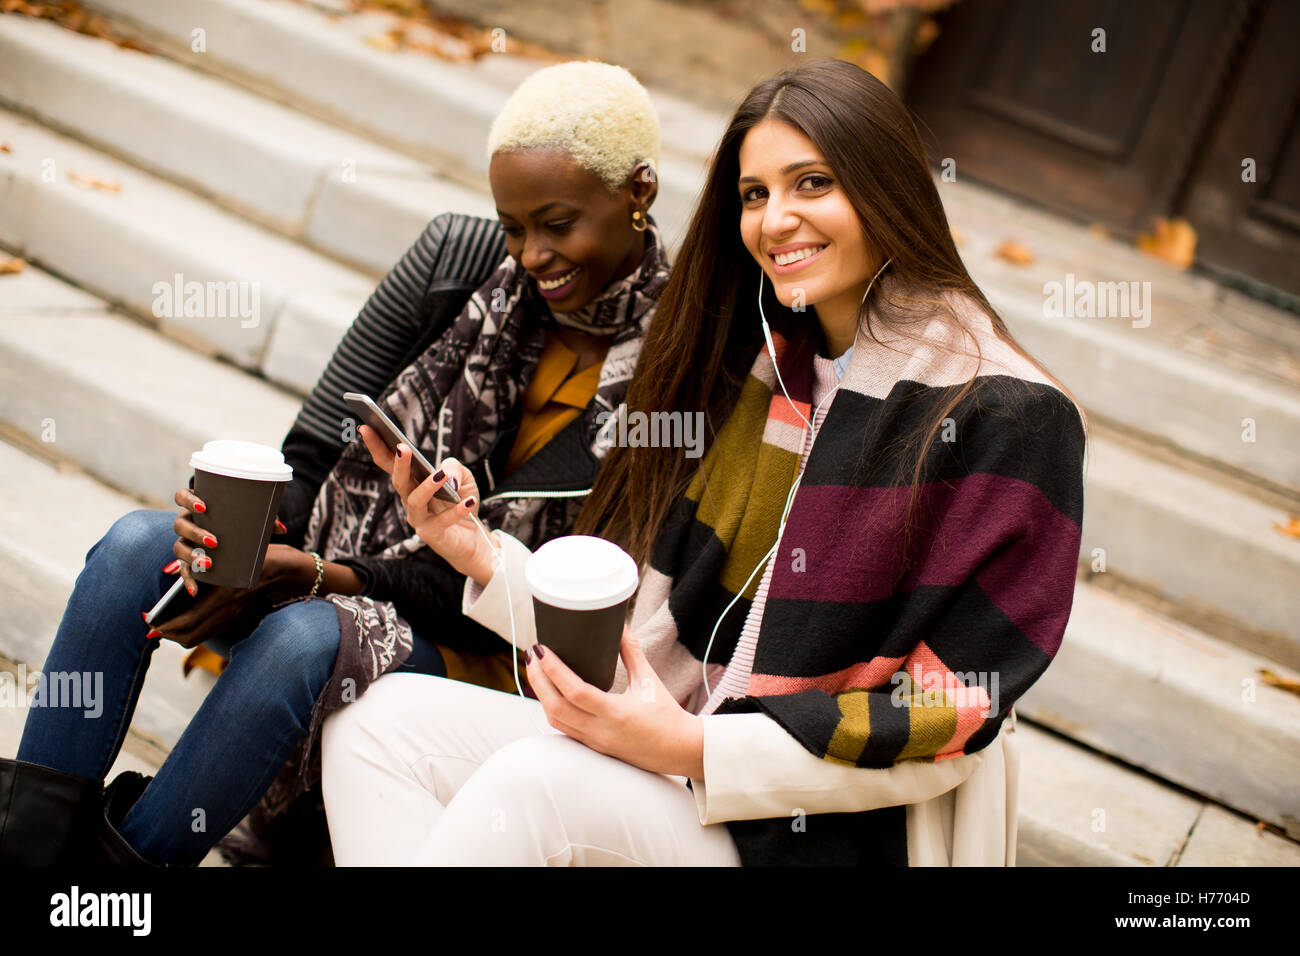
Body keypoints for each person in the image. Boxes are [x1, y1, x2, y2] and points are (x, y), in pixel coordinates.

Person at [320, 57, 1088, 867]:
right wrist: (478, 554)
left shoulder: (1009, 416)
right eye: (755, 195)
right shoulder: (772, 371)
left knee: (535, 782)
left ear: (887, 186)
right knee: (379, 722)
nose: (775, 219)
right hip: (687, 768)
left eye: (812, 183)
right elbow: (657, 635)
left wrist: (693, 751)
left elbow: (950, 723)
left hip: (819, 832)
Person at [0, 60, 671, 866]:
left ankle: (119, 887)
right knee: (136, 550)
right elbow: (314, 451)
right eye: (512, 226)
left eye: (556, 224)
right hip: (336, 567)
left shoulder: (674, 372)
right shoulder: (454, 263)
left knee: (304, 635)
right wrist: (240, 540)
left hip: (490, 646)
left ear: (639, 191)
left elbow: (515, 600)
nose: (530, 254)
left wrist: (315, 575)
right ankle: (28, 855)